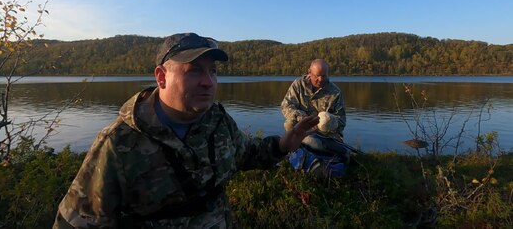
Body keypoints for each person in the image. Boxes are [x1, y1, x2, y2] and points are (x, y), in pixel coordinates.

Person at [53, 32, 319, 228]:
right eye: (194, 71)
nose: (208, 82)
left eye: (213, 71)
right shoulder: (120, 142)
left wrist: (286, 143)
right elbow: (76, 223)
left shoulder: (218, 121)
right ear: (161, 77)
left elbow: (246, 154)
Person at [281, 59, 346, 139]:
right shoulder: (298, 85)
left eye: (323, 76)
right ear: (309, 72)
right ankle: (294, 146)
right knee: (289, 123)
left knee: (323, 123)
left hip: (326, 133)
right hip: (303, 126)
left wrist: (327, 122)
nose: (320, 79)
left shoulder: (335, 92)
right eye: (317, 76)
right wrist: (303, 118)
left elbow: (342, 122)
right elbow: (286, 106)